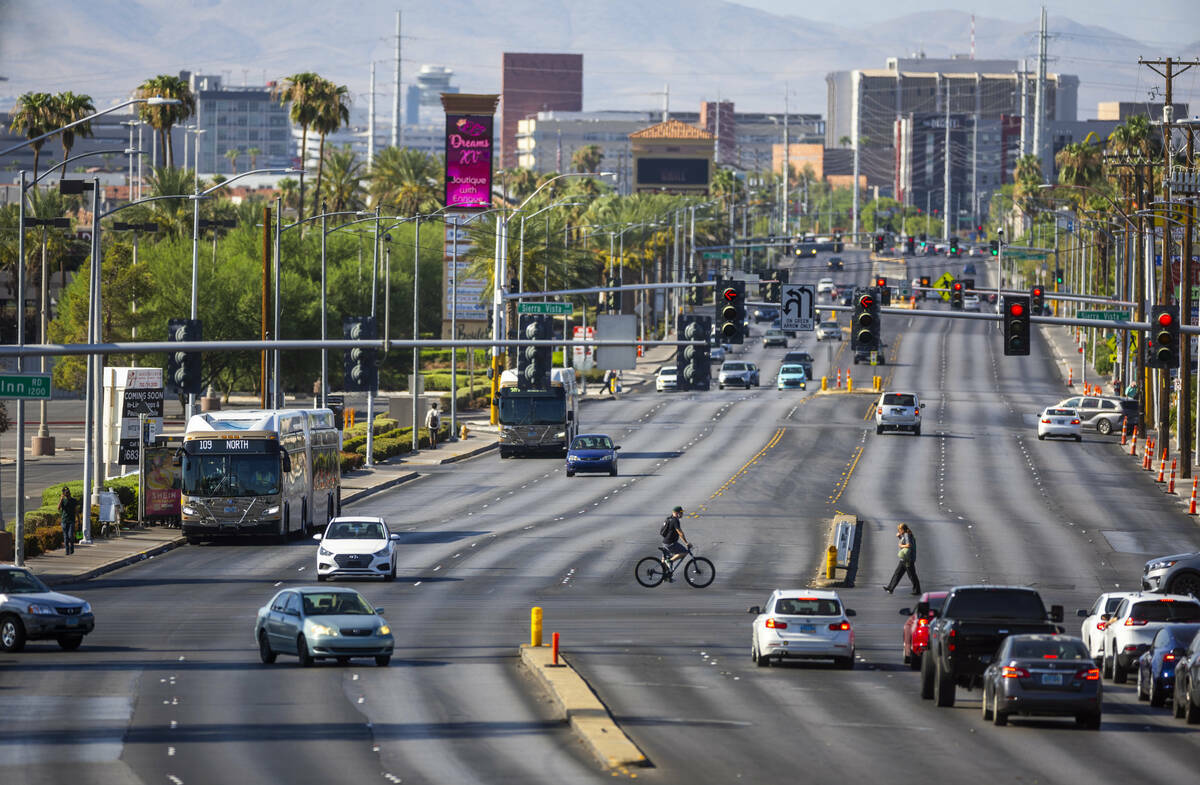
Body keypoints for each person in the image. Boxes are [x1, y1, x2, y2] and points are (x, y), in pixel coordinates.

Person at [883, 523, 921, 595]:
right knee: (897, 573)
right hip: (904, 559)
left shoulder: (907, 535)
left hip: (908, 559)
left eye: (899, 530)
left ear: (902, 529)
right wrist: (900, 537)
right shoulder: (906, 535)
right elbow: (905, 542)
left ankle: (917, 590)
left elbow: (908, 545)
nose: (898, 531)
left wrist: (900, 545)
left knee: (912, 575)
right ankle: (890, 588)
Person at [660, 505, 691, 578]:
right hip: (670, 543)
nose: (682, 514)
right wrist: (686, 543)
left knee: (663, 561)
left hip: (665, 542)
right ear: (677, 513)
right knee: (684, 552)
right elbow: (680, 533)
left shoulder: (669, 518)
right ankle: (670, 561)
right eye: (681, 513)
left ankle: (665, 577)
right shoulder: (675, 520)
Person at [58, 487, 79, 556]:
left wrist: (78, 519)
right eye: (66, 493)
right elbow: (58, 508)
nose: (67, 494)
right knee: (65, 537)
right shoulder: (63, 500)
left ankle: (72, 548)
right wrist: (61, 500)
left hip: (71, 520)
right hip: (64, 520)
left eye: (68, 492)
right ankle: (67, 551)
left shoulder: (74, 500)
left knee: (70, 536)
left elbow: (76, 510)